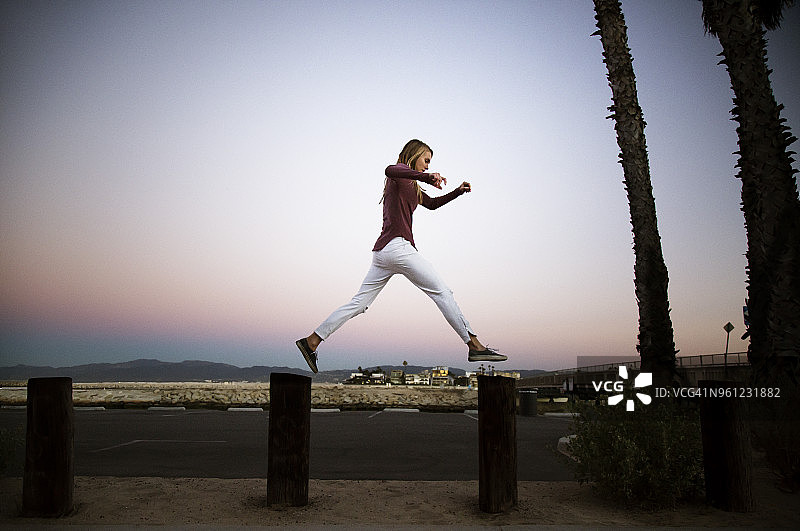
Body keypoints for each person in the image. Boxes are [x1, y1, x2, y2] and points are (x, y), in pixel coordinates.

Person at [296, 139, 507, 373]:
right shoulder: (398, 176)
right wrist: (427, 177)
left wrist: (457, 191)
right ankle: (474, 345)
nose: (427, 166)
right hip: (398, 248)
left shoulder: (412, 185)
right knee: (442, 292)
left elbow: (433, 204)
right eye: (426, 160)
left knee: (359, 304)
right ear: (414, 155)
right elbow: (390, 168)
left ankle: (312, 341)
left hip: (383, 253)